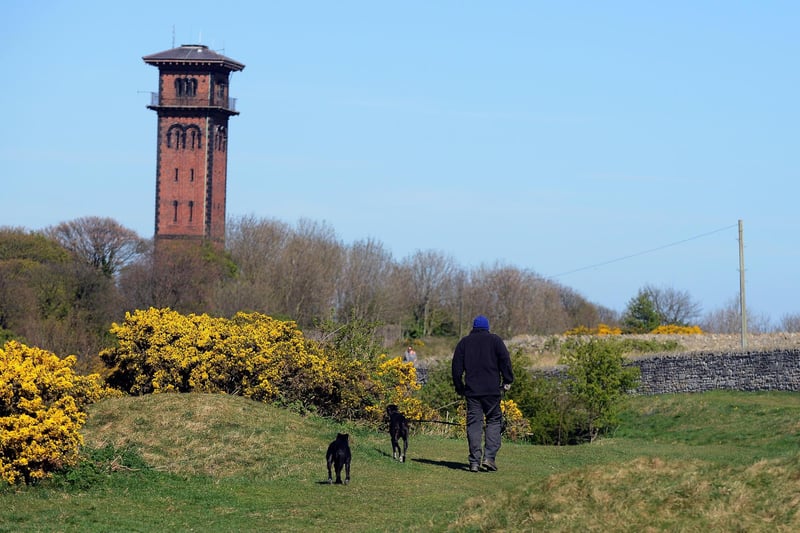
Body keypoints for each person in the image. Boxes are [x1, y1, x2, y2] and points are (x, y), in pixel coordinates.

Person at [451, 315, 513, 472]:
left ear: (473, 327)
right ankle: (489, 458)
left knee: (474, 425)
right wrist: (507, 380)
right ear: (487, 327)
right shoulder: (495, 341)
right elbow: (505, 360)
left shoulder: (464, 343)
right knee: (493, 421)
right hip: (492, 391)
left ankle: (474, 462)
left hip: (472, 392)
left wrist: (460, 387)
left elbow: (456, 368)